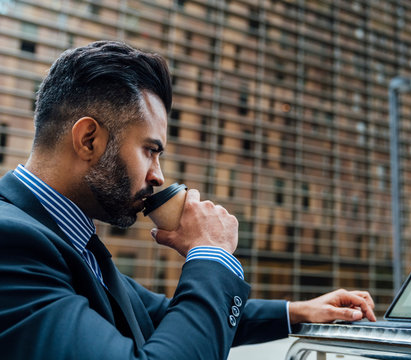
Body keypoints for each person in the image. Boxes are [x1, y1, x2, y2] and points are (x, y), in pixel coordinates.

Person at [0, 41, 375, 359]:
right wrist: (212, 254)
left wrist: (298, 312)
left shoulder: (69, 239)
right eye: (150, 150)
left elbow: (162, 315)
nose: (158, 176)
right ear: (88, 140)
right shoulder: (12, 243)